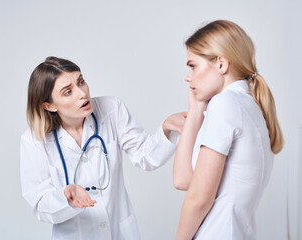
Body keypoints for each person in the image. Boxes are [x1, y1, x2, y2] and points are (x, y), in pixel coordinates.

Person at [20, 56, 185, 240]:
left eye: (81, 82)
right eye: (68, 92)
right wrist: (66, 199)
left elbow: (144, 155)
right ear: (49, 105)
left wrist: (166, 129)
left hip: (120, 233)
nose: (82, 93)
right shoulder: (34, 140)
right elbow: (40, 204)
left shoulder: (111, 109)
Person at [173, 20, 284, 240]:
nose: (188, 76)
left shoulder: (225, 104)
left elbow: (199, 199)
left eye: (193, 65)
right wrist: (195, 113)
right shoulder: (246, 105)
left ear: (222, 64)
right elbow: (183, 180)